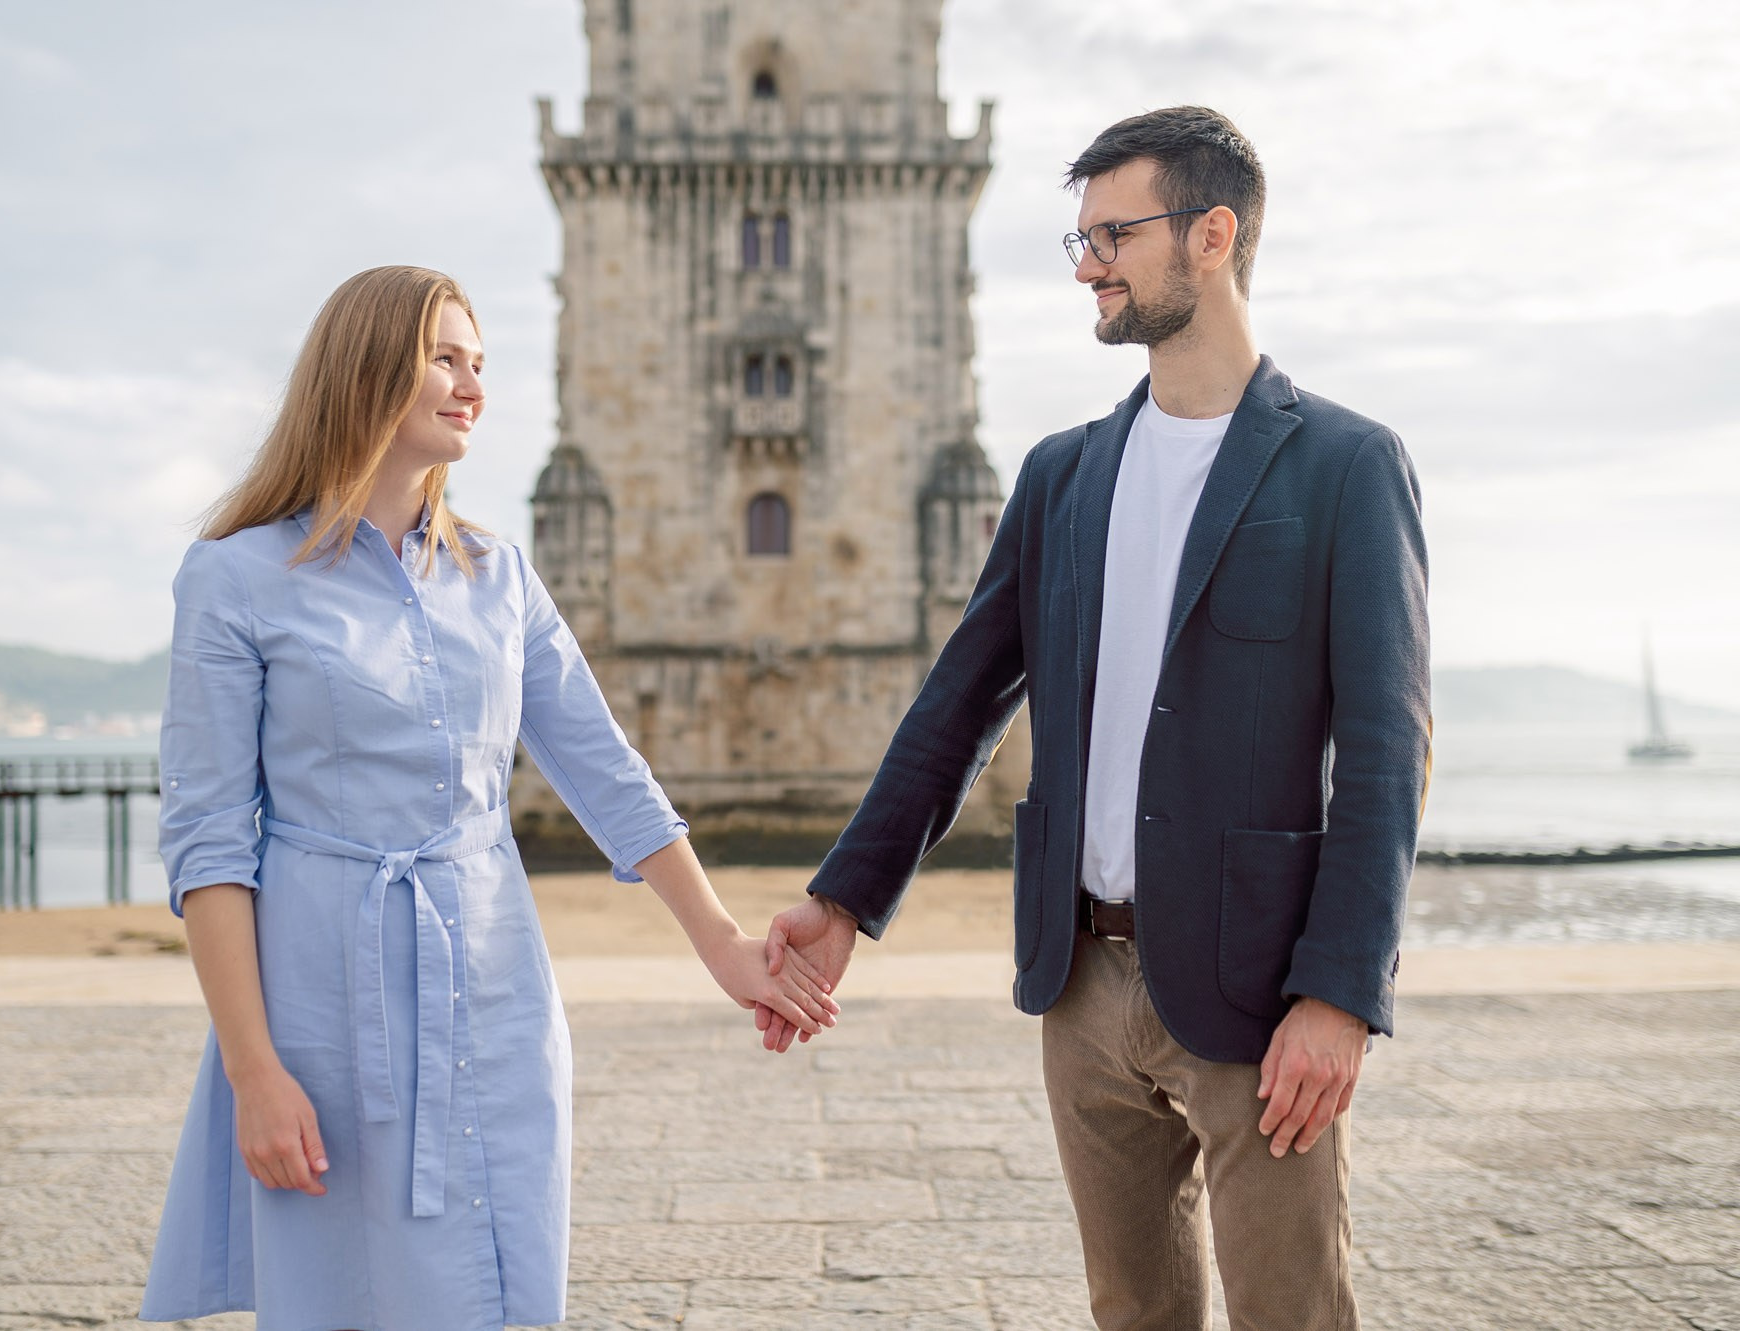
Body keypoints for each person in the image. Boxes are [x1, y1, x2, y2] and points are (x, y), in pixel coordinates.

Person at [761, 107, 1430, 1330]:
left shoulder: (1344, 462)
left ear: (1211, 235)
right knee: (1130, 1312)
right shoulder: (1061, 474)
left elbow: (1386, 753)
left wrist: (1338, 993)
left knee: (1293, 1313)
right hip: (1075, 981)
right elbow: (958, 701)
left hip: (1256, 989)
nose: (1087, 263)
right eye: (1077, 239)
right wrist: (845, 893)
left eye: (1112, 233)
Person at [138, 265, 839, 1331]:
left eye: (480, 364)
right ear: (366, 368)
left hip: (499, 984)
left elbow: (606, 772)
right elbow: (209, 846)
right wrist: (254, 1069)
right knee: (346, 1291)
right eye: (445, 358)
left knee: (499, 1289)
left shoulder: (498, 576)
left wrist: (723, 943)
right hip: (326, 997)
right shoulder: (234, 578)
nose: (471, 385)